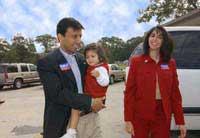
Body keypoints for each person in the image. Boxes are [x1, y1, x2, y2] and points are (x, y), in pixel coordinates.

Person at [37, 17, 105, 138]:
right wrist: (90, 102)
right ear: (60, 37)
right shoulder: (47, 62)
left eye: (80, 36)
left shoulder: (83, 59)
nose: (79, 41)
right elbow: (57, 93)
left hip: (89, 118)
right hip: (64, 124)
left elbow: (93, 82)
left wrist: (100, 100)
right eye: (74, 36)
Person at [124, 26, 187, 138]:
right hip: (140, 113)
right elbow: (129, 92)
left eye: (159, 37)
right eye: (152, 35)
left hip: (162, 113)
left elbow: (175, 94)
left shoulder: (170, 63)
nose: (155, 39)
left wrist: (180, 121)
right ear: (148, 38)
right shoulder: (136, 62)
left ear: (164, 41)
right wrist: (128, 119)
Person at [61, 43, 109, 138]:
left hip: (95, 96)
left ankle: (72, 131)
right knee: (76, 107)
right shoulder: (90, 67)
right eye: (87, 57)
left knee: (76, 107)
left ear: (100, 57)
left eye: (93, 56)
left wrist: (98, 76)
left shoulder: (101, 68)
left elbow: (105, 82)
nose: (90, 59)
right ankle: (72, 131)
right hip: (89, 96)